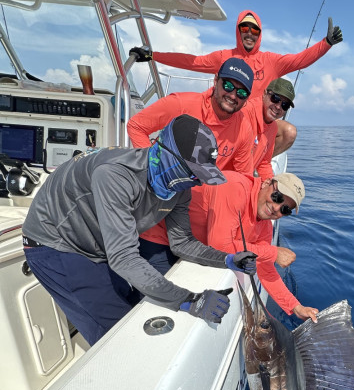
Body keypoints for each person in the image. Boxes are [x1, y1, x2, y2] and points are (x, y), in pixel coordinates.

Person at [22, 116, 257, 345]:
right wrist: (189, 299)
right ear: (169, 157)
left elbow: (182, 242)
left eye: (201, 177)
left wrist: (227, 259)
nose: (197, 182)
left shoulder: (180, 188)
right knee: (117, 335)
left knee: (134, 311)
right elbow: (123, 258)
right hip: (55, 244)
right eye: (193, 173)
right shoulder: (115, 175)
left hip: (97, 243)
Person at [130, 9, 342, 157]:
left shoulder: (271, 61)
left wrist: (326, 43)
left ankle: (258, 162)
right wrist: (153, 56)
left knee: (289, 132)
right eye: (245, 28)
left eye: (254, 30)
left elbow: (300, 60)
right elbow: (191, 61)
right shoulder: (224, 56)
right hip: (227, 120)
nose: (249, 33)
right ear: (238, 30)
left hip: (257, 126)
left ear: (260, 34)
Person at [126, 57, 256, 271]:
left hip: (198, 234)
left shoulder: (244, 128)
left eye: (241, 93)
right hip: (158, 222)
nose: (233, 95)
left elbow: (242, 181)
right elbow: (136, 125)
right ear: (216, 80)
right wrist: (155, 174)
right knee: (153, 284)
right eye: (228, 85)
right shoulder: (181, 104)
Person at [190, 170, 319, 323]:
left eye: (285, 209)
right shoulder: (235, 187)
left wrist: (296, 307)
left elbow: (265, 269)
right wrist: (272, 253)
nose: (276, 208)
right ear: (266, 183)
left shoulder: (265, 224)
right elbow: (219, 245)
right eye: (277, 197)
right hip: (169, 239)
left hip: (192, 246)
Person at [247, 78, 297, 181]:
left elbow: (264, 162)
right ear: (264, 93)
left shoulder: (273, 127)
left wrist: (270, 184)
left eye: (285, 105)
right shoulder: (245, 114)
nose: (278, 107)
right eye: (275, 98)